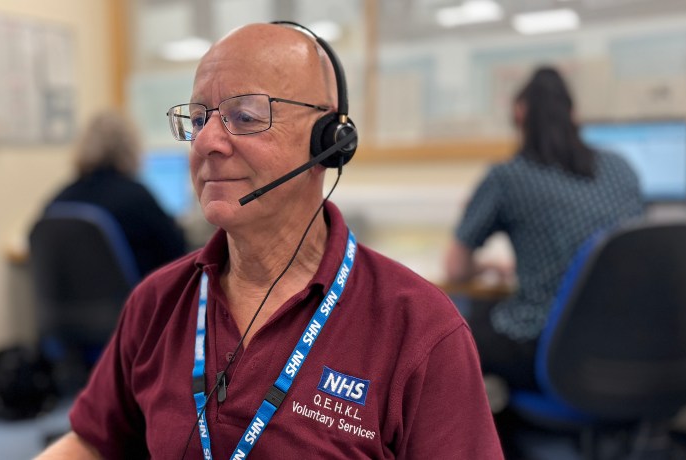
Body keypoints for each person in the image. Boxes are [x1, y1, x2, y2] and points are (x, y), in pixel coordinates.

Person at [37, 23, 501, 459]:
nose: (206, 142)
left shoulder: (420, 330)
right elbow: (93, 443)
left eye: (244, 115)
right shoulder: (157, 303)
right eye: (199, 120)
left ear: (329, 141)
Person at [444, 66, 643, 393]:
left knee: (453, 330)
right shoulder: (622, 169)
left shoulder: (508, 178)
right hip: (625, 344)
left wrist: (483, 266)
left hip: (545, 343)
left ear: (519, 114)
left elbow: (456, 268)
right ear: (573, 115)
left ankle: (485, 437)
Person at [45, 110, 186, 278]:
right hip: (133, 301)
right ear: (131, 148)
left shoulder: (60, 200)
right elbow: (177, 254)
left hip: (67, 304)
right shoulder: (138, 198)